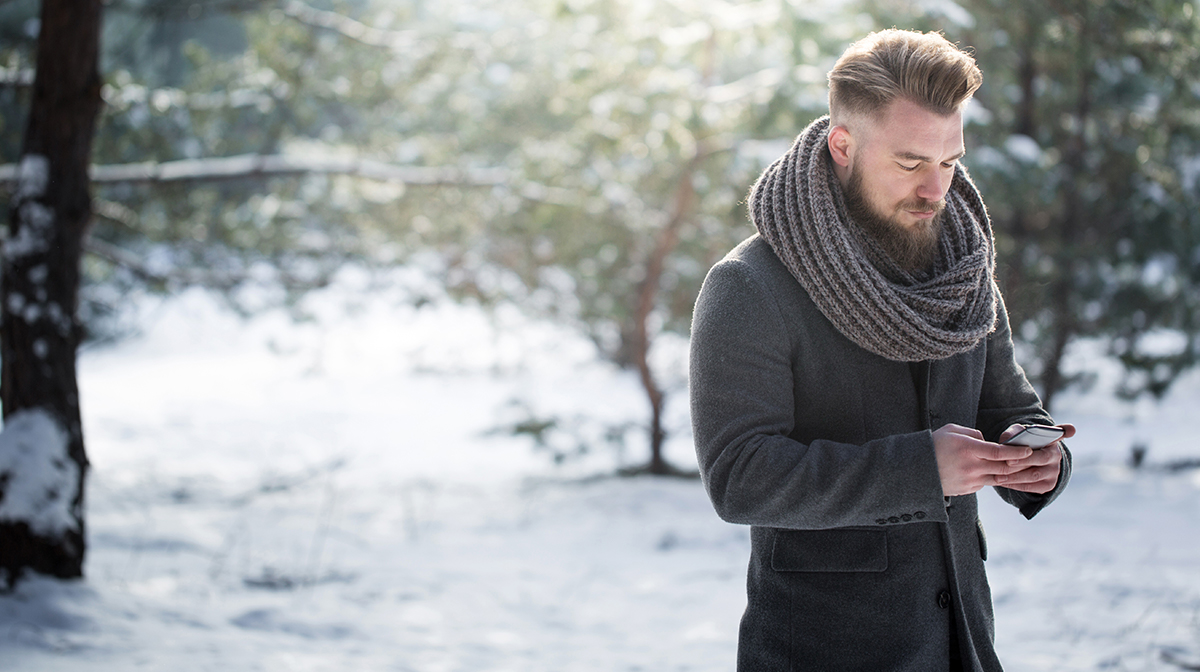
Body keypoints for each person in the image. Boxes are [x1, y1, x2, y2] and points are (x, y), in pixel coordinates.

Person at [688, 29, 1074, 672]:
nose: (935, 190)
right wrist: (923, 469)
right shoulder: (748, 286)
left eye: (949, 162)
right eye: (909, 163)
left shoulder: (964, 268)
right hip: (821, 651)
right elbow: (740, 477)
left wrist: (1035, 457)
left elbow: (1007, 405)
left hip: (963, 646)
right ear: (843, 145)